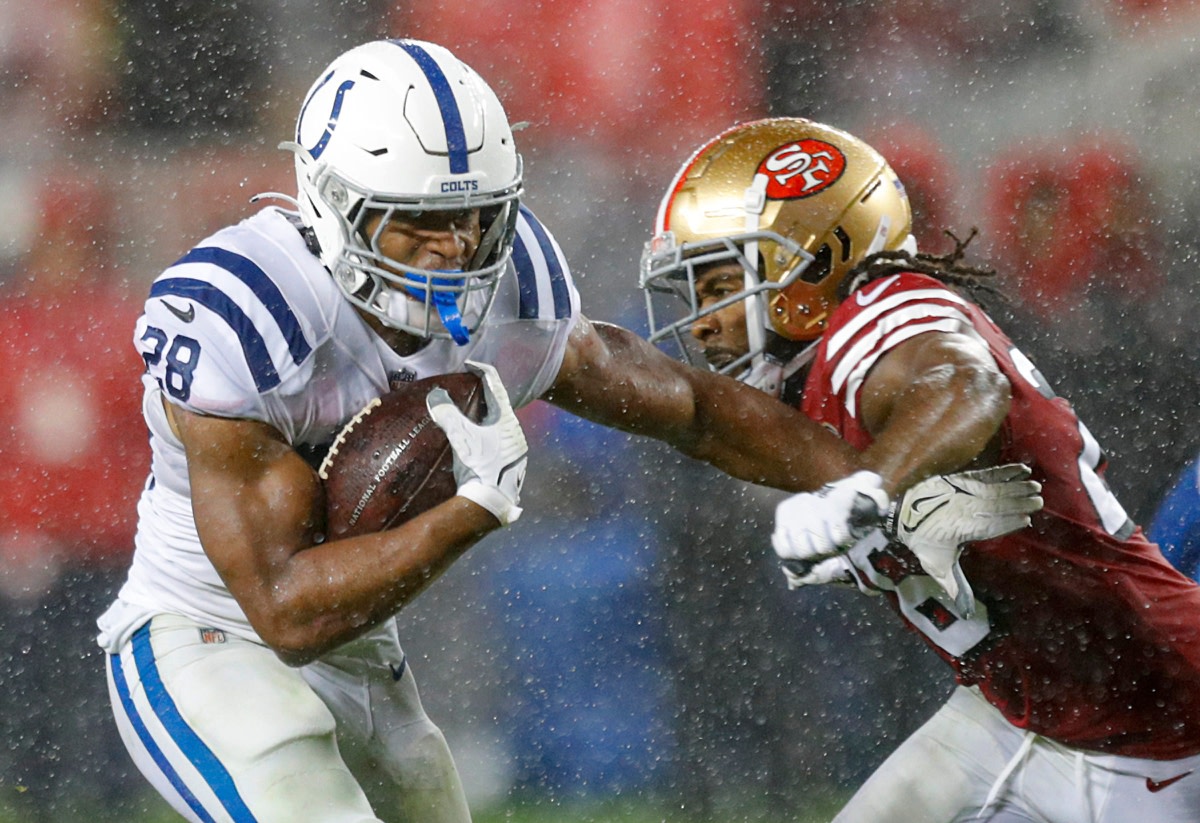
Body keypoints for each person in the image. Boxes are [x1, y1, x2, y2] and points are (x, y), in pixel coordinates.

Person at [96, 42, 1036, 823]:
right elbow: (287, 612)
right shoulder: (245, 315)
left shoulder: (509, 284)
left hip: (362, 646)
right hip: (204, 636)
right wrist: (469, 510)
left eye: (472, 218)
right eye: (420, 226)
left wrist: (869, 481)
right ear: (334, 206)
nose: (456, 250)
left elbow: (692, 408)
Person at [639, 116, 1200, 822]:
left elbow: (966, 386)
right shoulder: (824, 365)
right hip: (1017, 703)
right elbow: (684, 404)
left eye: (721, 281)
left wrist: (865, 488)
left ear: (815, 262)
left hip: (1150, 721)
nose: (701, 322)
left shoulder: (888, 316)